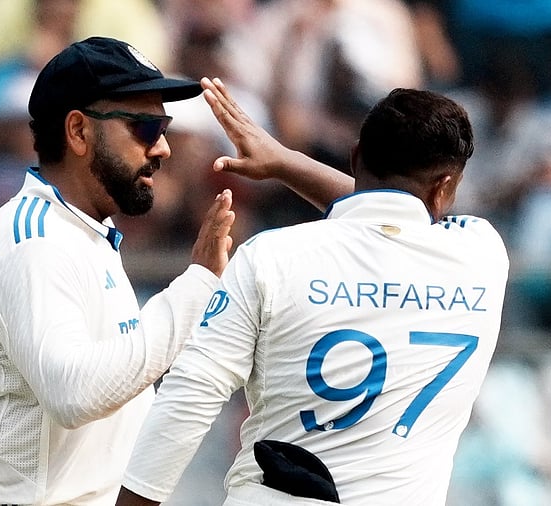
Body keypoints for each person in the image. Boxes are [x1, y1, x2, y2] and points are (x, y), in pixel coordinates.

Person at [117, 82, 510, 505]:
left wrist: (284, 163)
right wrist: (287, 163)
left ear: (355, 157)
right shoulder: (481, 255)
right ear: (445, 187)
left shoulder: (270, 256)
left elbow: (191, 394)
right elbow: (402, 215)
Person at [0, 36, 238, 506]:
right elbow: (73, 393)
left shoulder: (85, 230)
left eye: (164, 127)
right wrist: (196, 284)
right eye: (145, 127)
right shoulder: (34, 238)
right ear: (78, 131)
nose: (163, 148)